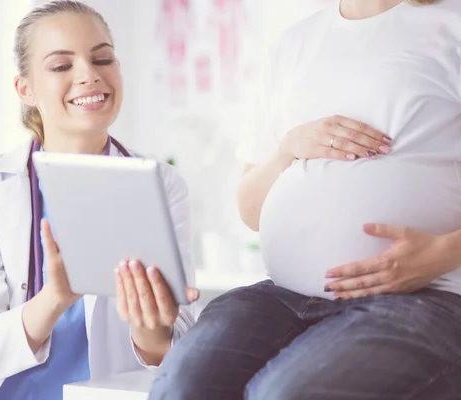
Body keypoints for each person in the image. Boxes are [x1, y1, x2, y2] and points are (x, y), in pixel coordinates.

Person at [148, 0, 461, 398]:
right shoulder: (293, 46)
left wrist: (445, 253)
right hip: (284, 298)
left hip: (422, 299)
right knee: (182, 387)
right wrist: (287, 150)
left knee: (284, 394)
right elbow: (250, 210)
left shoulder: (453, 27)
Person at [0, 2, 198, 399]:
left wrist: (150, 325)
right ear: (25, 89)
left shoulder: (161, 184)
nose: (90, 75)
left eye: (102, 58)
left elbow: (178, 348)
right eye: (61, 66)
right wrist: (55, 297)